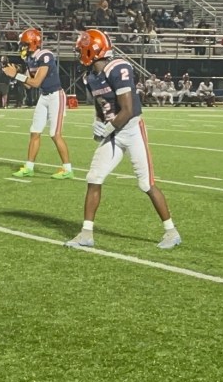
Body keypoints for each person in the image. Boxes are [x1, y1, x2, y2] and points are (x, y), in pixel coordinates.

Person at [65, 29, 179, 250]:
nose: (78, 53)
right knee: (94, 177)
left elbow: (127, 110)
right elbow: (102, 107)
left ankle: (171, 231)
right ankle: (86, 234)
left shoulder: (118, 68)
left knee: (146, 183)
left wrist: (106, 129)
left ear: (91, 50)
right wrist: (97, 123)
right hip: (114, 132)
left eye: (81, 49)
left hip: (132, 130)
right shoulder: (90, 77)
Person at [5, 28, 74, 178]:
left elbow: (36, 82)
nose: (22, 47)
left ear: (33, 43)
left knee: (55, 134)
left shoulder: (45, 55)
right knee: (35, 131)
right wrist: (16, 76)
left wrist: (16, 75)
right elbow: (28, 85)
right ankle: (29, 167)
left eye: (24, 44)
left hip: (56, 96)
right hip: (44, 97)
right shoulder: (29, 59)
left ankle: (68, 169)